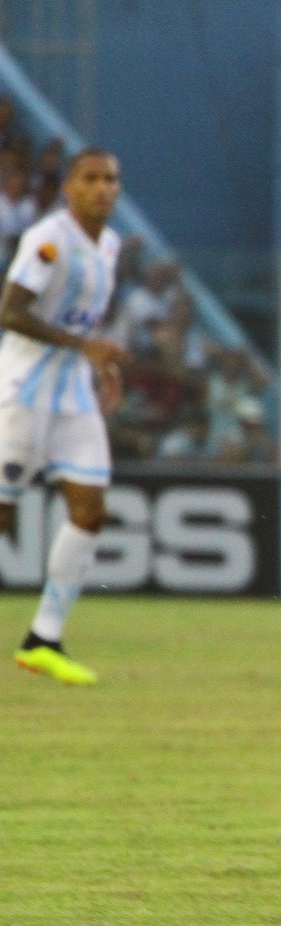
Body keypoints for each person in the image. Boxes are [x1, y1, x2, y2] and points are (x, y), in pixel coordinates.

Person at [1, 149, 126, 686]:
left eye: (110, 179)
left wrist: (100, 365)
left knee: (90, 511)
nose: (102, 188)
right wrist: (83, 346)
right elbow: (10, 312)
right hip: (23, 390)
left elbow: (85, 322)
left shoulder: (110, 244)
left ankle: (43, 640)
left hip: (72, 394)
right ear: (68, 187)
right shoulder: (48, 239)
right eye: (90, 179)